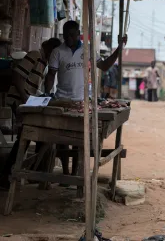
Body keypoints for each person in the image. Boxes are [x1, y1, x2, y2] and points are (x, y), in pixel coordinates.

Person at [44, 20, 127, 176]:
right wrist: (47, 95)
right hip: (62, 100)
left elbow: (104, 66)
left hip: (82, 102)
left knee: (79, 140)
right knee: (62, 139)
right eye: (66, 35)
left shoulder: (88, 50)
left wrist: (119, 49)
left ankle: (75, 172)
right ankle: (66, 172)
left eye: (72, 35)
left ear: (78, 34)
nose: (69, 38)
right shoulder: (58, 52)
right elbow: (50, 76)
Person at [0, 38, 62, 190]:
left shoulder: (43, 63)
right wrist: (25, 98)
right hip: (19, 101)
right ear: (50, 49)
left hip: (25, 102)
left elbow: (32, 84)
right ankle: (6, 175)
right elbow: (17, 76)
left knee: (31, 136)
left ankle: (33, 172)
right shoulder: (35, 55)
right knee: (25, 137)